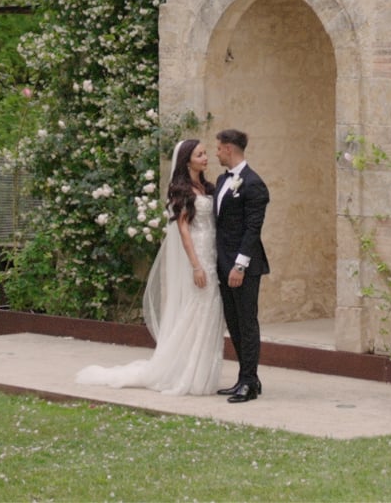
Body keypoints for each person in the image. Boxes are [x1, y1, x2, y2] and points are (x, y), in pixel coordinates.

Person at [75, 138, 226, 396]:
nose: (205, 158)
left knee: (211, 311)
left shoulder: (208, 187)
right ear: (187, 160)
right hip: (199, 254)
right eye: (200, 154)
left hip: (212, 251)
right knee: (196, 309)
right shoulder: (182, 190)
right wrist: (196, 266)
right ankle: (185, 373)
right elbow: (183, 229)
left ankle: (203, 374)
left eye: (204, 154)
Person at [213, 128, 268, 403]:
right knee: (233, 324)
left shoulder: (253, 183)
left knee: (247, 323)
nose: (216, 153)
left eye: (219, 148)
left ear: (230, 149)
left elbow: (252, 229)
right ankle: (246, 378)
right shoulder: (222, 180)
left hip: (243, 267)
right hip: (223, 264)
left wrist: (240, 266)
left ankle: (249, 381)